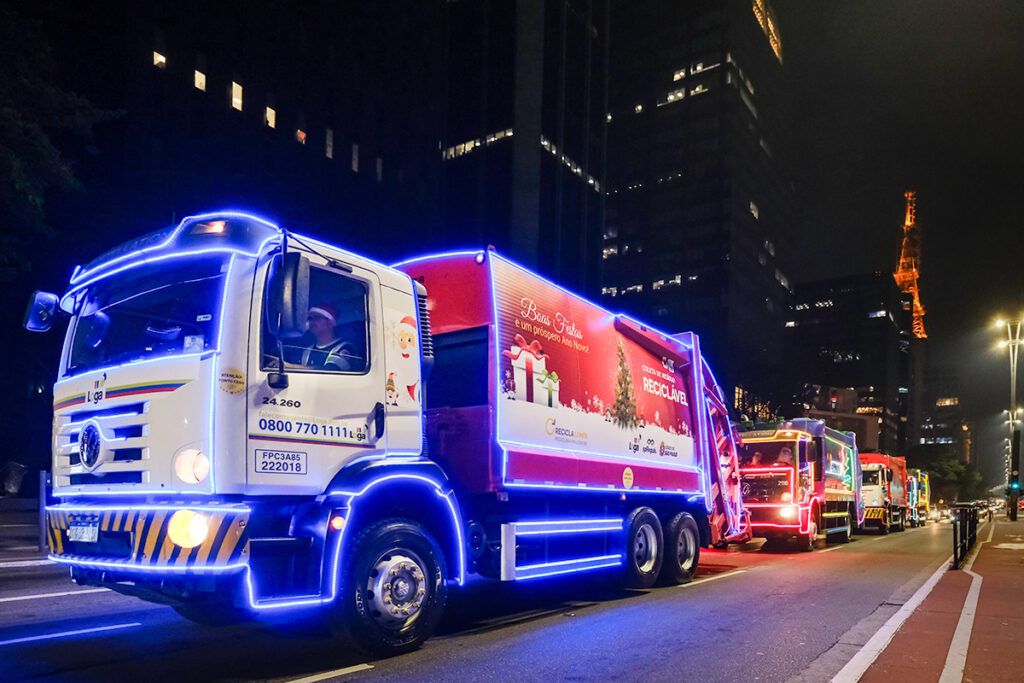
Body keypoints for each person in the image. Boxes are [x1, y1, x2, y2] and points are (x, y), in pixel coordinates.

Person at [300, 303, 359, 371]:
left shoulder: (346, 347)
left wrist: (290, 366)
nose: (311, 321)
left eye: (317, 317)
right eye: (309, 318)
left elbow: (330, 371)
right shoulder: (307, 351)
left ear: (330, 323)